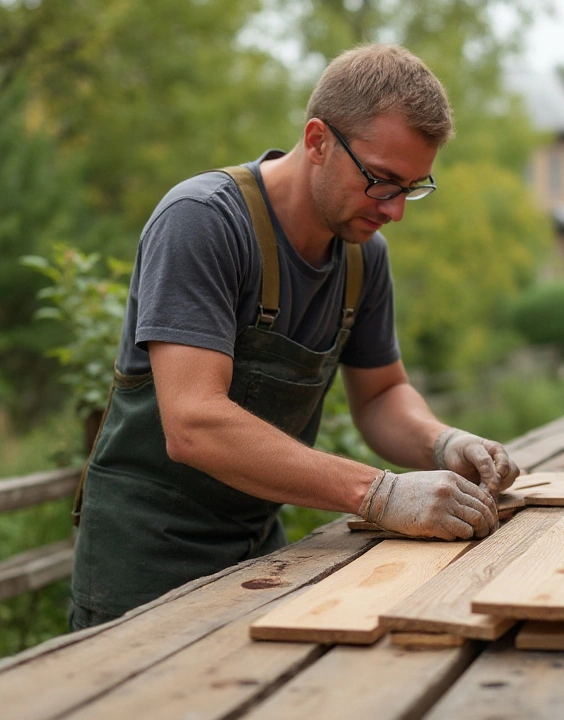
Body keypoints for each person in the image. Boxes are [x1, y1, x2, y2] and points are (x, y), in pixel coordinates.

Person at [68, 44, 521, 631]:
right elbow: (194, 423)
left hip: (259, 561)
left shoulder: (363, 258)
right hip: (143, 572)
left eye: (412, 188)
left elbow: (382, 395)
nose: (396, 211)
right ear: (317, 141)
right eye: (382, 181)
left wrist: (442, 443)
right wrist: (381, 494)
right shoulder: (204, 222)